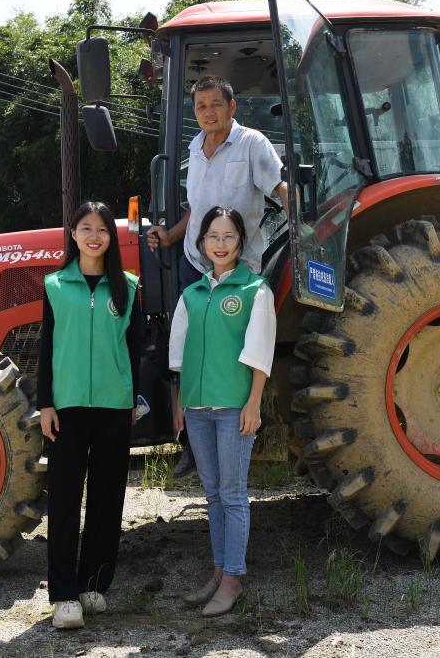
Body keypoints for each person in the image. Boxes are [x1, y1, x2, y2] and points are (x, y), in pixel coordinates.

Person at [146, 74, 286, 476]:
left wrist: (304, 223)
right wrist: (170, 236)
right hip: (196, 262)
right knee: (192, 349)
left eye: (215, 105)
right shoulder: (195, 147)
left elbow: (278, 187)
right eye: (201, 106)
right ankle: (192, 442)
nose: (208, 112)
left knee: (228, 355)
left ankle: (240, 435)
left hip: (237, 268)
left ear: (232, 107)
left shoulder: (251, 143)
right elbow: (196, 208)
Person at [37, 201, 142, 629]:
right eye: (86, 228)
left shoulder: (128, 287)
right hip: (67, 408)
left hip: (115, 407)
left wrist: (133, 401)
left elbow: (135, 349)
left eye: (102, 229)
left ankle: (94, 585)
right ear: (74, 234)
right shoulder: (55, 285)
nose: (94, 236)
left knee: (107, 498)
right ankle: (64, 595)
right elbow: (46, 348)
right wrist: (45, 402)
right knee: (64, 500)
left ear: (111, 237)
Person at [168, 206, 277, 617]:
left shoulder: (255, 290)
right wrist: (180, 403)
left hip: (234, 408)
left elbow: (260, 353)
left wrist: (254, 403)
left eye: (228, 236)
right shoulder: (192, 295)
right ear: (201, 243)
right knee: (212, 495)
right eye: (213, 236)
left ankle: (233, 579)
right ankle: (218, 572)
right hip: (197, 409)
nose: (220, 243)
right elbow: (180, 354)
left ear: (240, 242)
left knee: (232, 495)